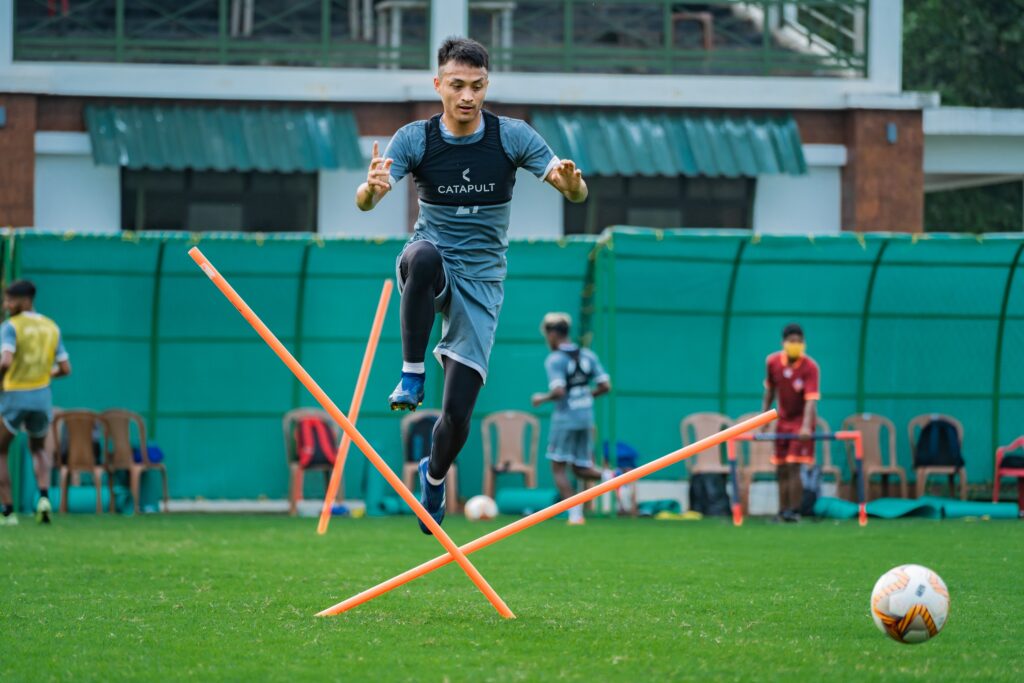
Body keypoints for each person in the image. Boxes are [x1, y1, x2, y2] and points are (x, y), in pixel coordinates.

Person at [355, 37, 588, 533]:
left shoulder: (512, 136)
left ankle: (434, 478)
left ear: (487, 85)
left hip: (482, 281)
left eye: (477, 86)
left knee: (458, 414)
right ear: (438, 84)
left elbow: (573, 187)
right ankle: (412, 372)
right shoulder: (415, 138)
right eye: (457, 85)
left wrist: (571, 184)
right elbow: (368, 200)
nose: (467, 96)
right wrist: (369, 190)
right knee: (419, 254)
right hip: (435, 265)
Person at [0, 280, 72, 526]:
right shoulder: (51, 327)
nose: (6, 305)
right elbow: (65, 368)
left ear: (24, 300)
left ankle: (8, 512)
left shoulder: (11, 327)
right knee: (39, 449)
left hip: (14, 396)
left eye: (9, 300)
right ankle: (43, 499)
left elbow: (6, 362)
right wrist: (43, 376)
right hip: (42, 398)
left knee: (1, 450)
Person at [531, 313, 610, 525]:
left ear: (553, 334)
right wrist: (585, 396)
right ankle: (611, 477)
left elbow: (558, 391)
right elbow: (605, 386)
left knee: (558, 466)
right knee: (580, 467)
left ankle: (575, 514)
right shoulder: (588, 355)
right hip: (586, 417)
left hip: (565, 418)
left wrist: (541, 398)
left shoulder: (555, 359)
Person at [761, 323, 819, 523]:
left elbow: (811, 401)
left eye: (799, 342)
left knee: (794, 465)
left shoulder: (810, 367)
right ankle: (782, 510)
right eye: (792, 342)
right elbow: (770, 391)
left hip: (802, 421)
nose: (796, 345)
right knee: (781, 467)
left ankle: (794, 511)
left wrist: (805, 426)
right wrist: (764, 418)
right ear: (783, 343)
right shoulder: (773, 362)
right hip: (783, 420)